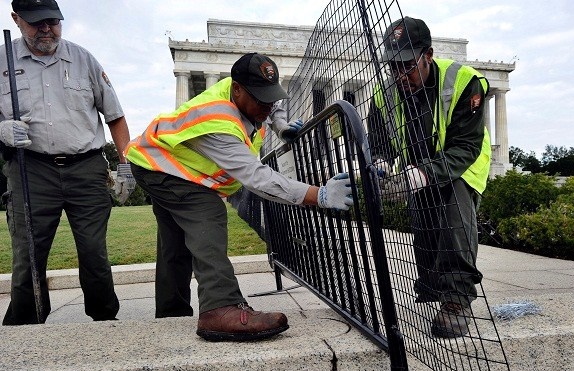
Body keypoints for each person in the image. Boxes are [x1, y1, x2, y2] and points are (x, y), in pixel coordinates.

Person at [125, 52, 353, 342]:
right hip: (163, 168)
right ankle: (220, 307)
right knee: (207, 214)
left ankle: (170, 315)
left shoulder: (249, 94)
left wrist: (280, 126)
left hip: (156, 161)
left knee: (176, 242)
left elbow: (276, 102)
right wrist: (317, 195)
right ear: (237, 90)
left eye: (270, 95)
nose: (267, 105)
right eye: (260, 99)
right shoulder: (217, 123)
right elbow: (258, 178)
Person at [0, 0, 135, 325]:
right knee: (28, 257)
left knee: (93, 254)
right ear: (17, 19)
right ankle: (27, 326)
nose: (47, 29)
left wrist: (127, 165)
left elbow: (115, 116)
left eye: (53, 21)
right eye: (36, 22)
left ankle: (105, 321)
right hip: (30, 169)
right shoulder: (2, 62)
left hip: (85, 168)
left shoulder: (83, 59)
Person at [367, 17, 491, 338]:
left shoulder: (465, 82)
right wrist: (381, 171)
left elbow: (466, 146)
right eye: (393, 66)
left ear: (429, 55)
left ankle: (457, 299)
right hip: (418, 166)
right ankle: (433, 287)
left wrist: (419, 175)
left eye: (407, 65)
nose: (399, 74)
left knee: (454, 212)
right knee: (424, 225)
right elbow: (379, 147)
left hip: (463, 161)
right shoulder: (383, 97)